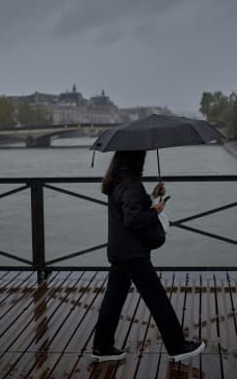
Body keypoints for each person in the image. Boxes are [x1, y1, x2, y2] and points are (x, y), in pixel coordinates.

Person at [91, 150, 205, 362]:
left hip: (118, 250)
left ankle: (102, 347)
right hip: (133, 253)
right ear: (137, 159)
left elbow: (128, 206)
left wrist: (152, 195)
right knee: (157, 299)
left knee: (113, 300)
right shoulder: (132, 183)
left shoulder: (116, 179)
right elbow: (133, 219)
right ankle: (177, 346)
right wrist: (156, 210)